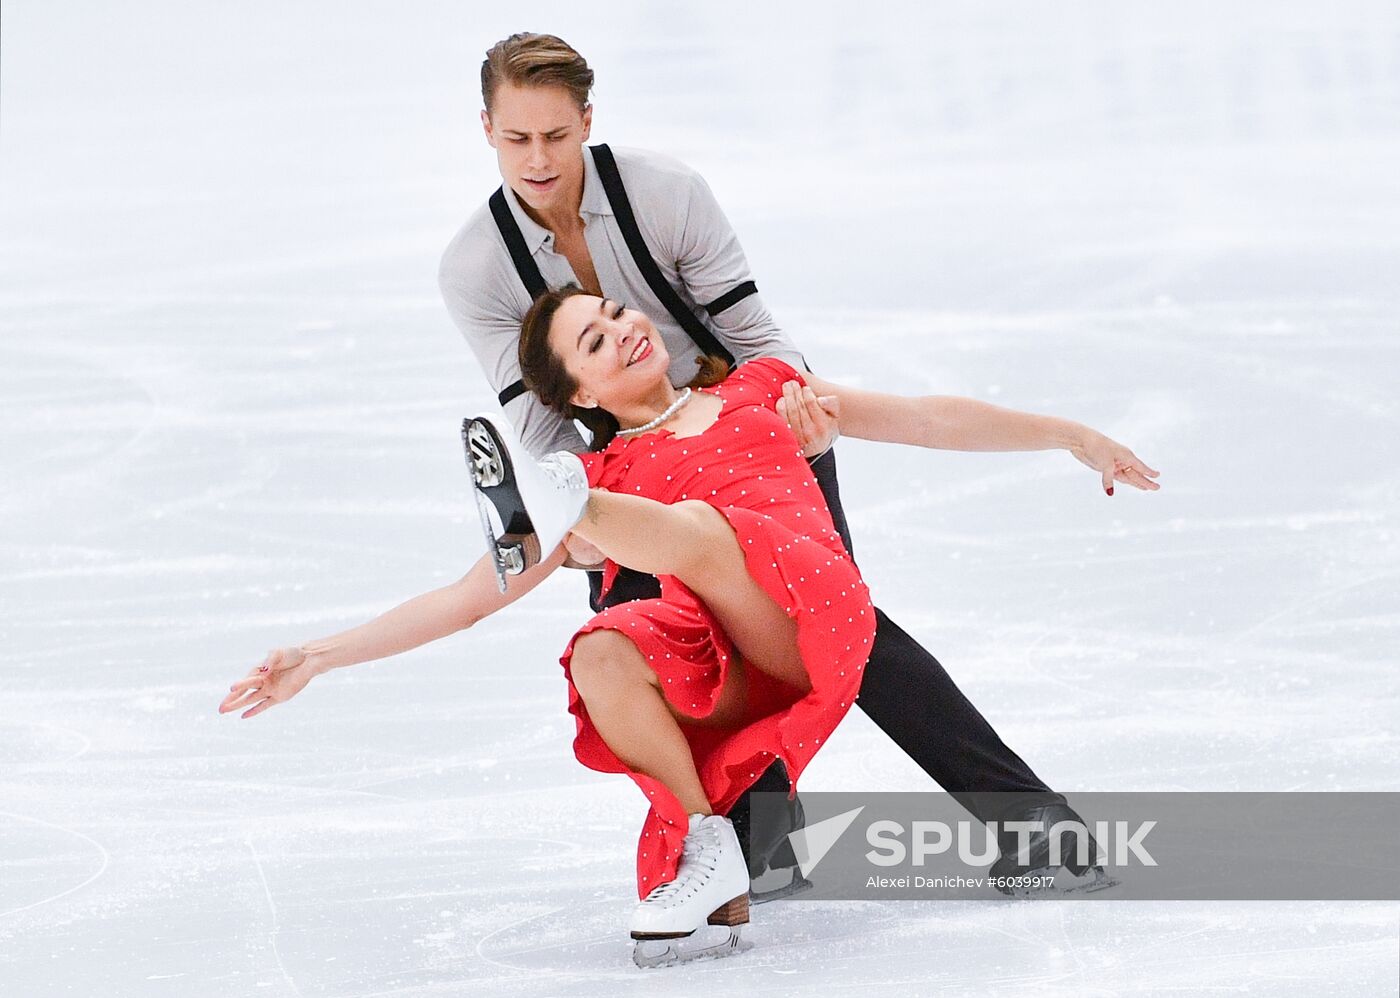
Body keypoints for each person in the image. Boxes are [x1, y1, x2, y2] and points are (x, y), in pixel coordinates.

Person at [218, 287, 1157, 965]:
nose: (622, 331)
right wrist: (319, 656)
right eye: (593, 341)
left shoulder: (763, 392)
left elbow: (922, 417)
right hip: (740, 657)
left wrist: (1068, 432)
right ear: (577, 396)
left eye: (617, 314)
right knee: (602, 649)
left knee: (702, 534)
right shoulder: (622, 467)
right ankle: (707, 841)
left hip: (819, 610)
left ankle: (561, 515)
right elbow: (469, 597)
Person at [437, 32, 1163, 893]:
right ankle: (764, 836)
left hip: (748, 425)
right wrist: (584, 528)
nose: (538, 159)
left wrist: (793, 419)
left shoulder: (666, 194)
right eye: (517, 139)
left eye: (556, 136)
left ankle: (1032, 822)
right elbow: (548, 428)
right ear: (485, 128)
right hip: (629, 478)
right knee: (669, 653)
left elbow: (755, 340)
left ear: (588, 121)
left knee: (838, 628)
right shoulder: (477, 269)